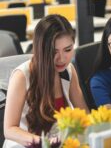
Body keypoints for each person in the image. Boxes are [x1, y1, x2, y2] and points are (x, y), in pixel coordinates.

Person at [3, 14, 89, 148]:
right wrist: (45, 144)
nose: (62, 58)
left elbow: (84, 115)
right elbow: (9, 130)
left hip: (60, 141)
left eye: (68, 49)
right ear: (40, 50)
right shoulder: (21, 76)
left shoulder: (69, 70)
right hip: (27, 144)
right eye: (53, 52)